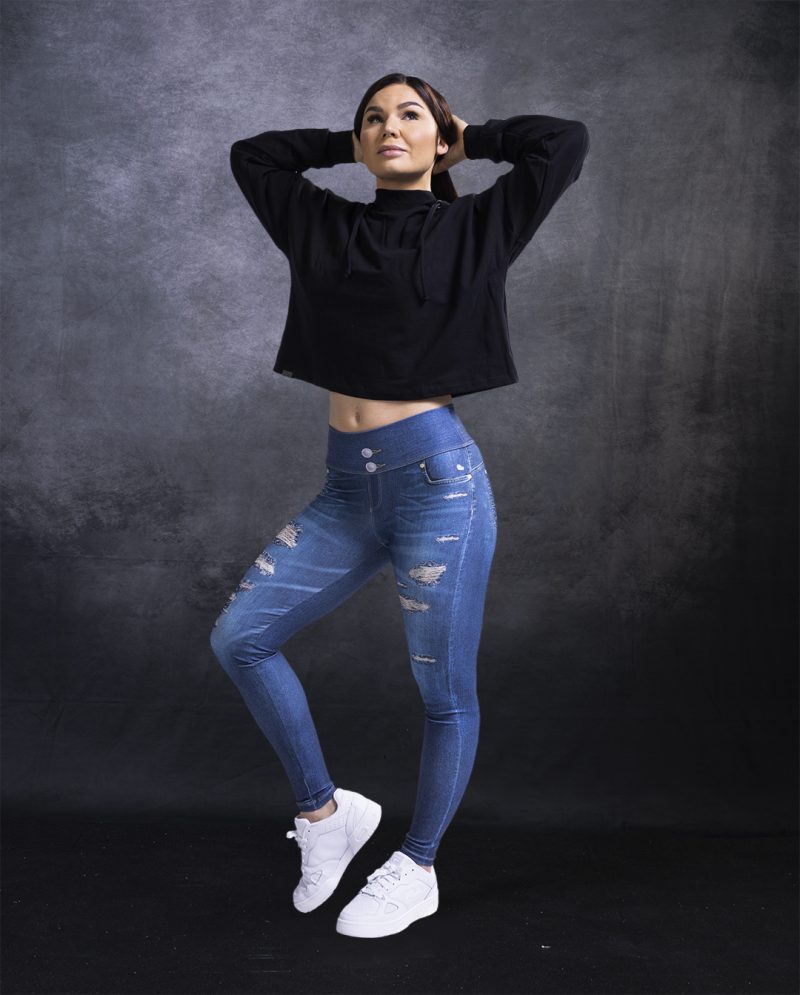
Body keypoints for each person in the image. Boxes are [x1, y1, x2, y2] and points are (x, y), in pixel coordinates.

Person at [210, 72, 589, 939]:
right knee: (239, 638)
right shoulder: (322, 225)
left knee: (443, 692)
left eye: (410, 115)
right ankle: (326, 814)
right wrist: (343, 145)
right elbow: (253, 156)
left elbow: (562, 142)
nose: (390, 127)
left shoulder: (478, 226)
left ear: (438, 135)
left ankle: (416, 866)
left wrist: (472, 137)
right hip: (346, 491)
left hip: (437, 491)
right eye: (373, 118)